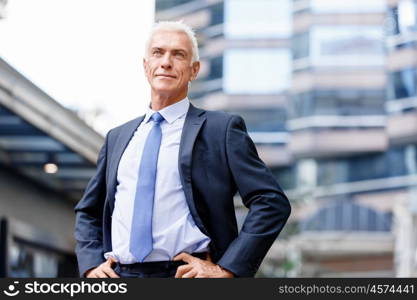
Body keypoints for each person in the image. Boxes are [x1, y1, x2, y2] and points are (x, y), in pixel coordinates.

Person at [74, 21, 291, 278]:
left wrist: (228, 269)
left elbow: (271, 202)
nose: (166, 62)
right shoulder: (117, 138)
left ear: (194, 70)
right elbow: (89, 211)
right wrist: (90, 265)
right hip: (118, 276)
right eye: (158, 52)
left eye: (178, 54)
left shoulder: (221, 130)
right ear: (146, 66)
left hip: (185, 275)